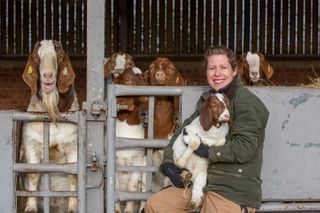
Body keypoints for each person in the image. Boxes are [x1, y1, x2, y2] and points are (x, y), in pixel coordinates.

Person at [143, 46, 269, 213]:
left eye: (223, 68)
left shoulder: (246, 103)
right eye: (212, 68)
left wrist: (207, 151)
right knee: (155, 206)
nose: (217, 73)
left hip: (231, 188)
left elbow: (245, 148)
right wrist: (168, 165)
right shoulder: (207, 101)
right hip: (200, 182)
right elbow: (182, 133)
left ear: (234, 70)